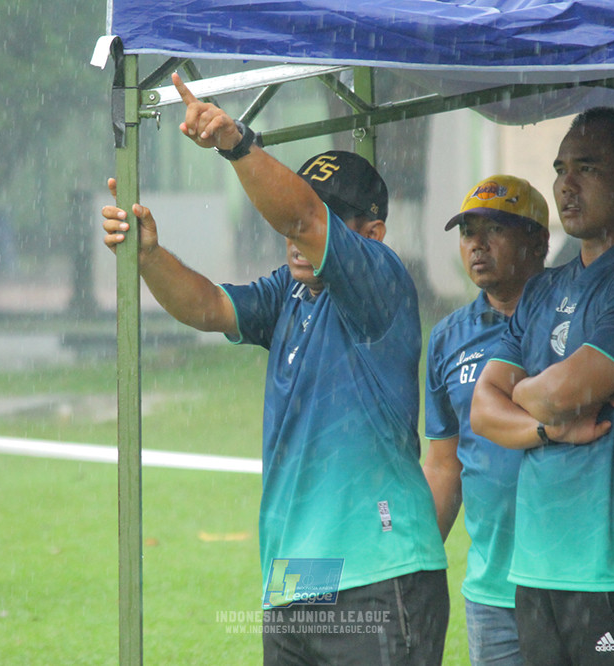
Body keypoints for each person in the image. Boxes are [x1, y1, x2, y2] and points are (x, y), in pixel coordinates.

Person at [103, 72, 449, 665]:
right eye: (306, 217)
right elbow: (209, 306)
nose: (296, 241)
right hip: (293, 578)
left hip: (378, 567)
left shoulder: (382, 280)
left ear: (372, 234)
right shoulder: (290, 296)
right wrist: (149, 256)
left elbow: (302, 221)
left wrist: (236, 145)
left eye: (330, 220)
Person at [470, 107, 614, 665]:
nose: (565, 184)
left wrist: (529, 393)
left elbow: (548, 393)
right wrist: (549, 429)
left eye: (587, 168)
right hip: (537, 570)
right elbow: (481, 408)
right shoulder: (542, 289)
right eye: (560, 167)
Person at [422, 175, 549, 666]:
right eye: (467, 231)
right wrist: (415, 563)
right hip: (492, 592)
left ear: (538, 240)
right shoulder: (448, 337)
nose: (476, 243)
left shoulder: (576, 316)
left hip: (574, 577)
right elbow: (443, 464)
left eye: (494, 228)